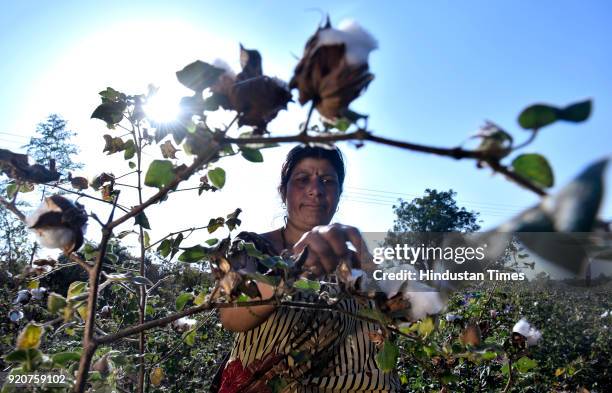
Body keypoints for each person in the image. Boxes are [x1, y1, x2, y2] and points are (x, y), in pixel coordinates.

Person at [215, 145, 401, 393]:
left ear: (338, 194)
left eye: (327, 181)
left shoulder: (352, 260)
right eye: (302, 180)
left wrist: (373, 276)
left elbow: (392, 323)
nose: (315, 190)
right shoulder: (249, 246)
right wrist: (294, 268)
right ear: (284, 192)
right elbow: (230, 316)